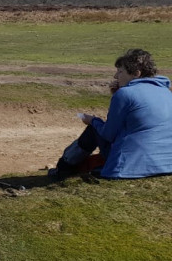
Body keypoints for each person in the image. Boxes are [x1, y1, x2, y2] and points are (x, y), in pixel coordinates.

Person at [50, 48, 172, 180]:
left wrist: (92, 120)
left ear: (136, 73)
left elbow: (108, 134)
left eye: (120, 72)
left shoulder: (125, 94)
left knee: (94, 129)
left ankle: (63, 168)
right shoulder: (166, 91)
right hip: (166, 164)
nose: (116, 76)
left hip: (129, 167)